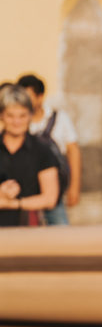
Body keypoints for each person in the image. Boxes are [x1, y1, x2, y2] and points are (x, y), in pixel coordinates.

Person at [17, 74, 81, 225]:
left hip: (53, 189)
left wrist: (74, 187)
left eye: (28, 96)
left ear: (40, 97)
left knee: (60, 235)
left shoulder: (59, 118)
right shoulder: (17, 121)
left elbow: (73, 151)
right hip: (24, 190)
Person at [0, 85, 59, 226]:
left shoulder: (42, 150)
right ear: (1, 115)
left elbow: (50, 198)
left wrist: (13, 203)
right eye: (10, 115)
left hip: (28, 229)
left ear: (30, 116)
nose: (16, 122)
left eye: (22, 115)